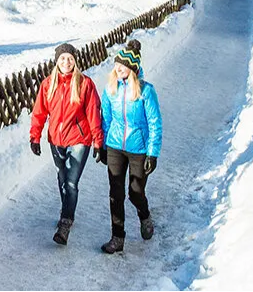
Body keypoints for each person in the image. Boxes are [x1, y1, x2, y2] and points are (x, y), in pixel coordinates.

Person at [29, 42, 105, 245]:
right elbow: (39, 112)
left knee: (71, 182)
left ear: (75, 61)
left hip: (79, 139)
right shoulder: (48, 84)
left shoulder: (85, 83)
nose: (66, 62)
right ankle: (67, 210)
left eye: (70, 58)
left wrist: (98, 141)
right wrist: (35, 137)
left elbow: (93, 114)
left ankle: (66, 222)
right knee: (62, 178)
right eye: (62, 58)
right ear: (57, 61)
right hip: (56, 139)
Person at [98, 39, 162, 254]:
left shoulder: (146, 91)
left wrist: (152, 154)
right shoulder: (110, 89)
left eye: (123, 66)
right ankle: (117, 238)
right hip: (115, 145)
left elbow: (155, 123)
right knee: (115, 193)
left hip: (139, 149)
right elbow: (105, 118)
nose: (119, 69)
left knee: (135, 192)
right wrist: (103, 146)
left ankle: (144, 216)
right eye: (117, 65)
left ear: (132, 69)